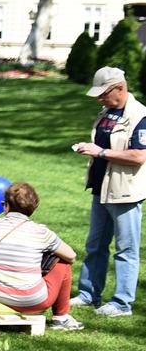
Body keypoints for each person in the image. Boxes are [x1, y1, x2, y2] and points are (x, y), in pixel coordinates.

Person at [72, 67, 146, 318]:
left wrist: (101, 152)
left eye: (103, 94)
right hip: (101, 189)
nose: (99, 99)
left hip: (125, 193)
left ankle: (122, 302)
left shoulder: (140, 116)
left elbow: (139, 156)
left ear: (120, 88)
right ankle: (88, 294)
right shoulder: (107, 112)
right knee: (95, 245)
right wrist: (91, 148)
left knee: (126, 249)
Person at [0, 182, 81, 332]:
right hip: (28, 301)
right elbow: (71, 256)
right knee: (62, 263)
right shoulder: (41, 232)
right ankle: (61, 317)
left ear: (6, 205)